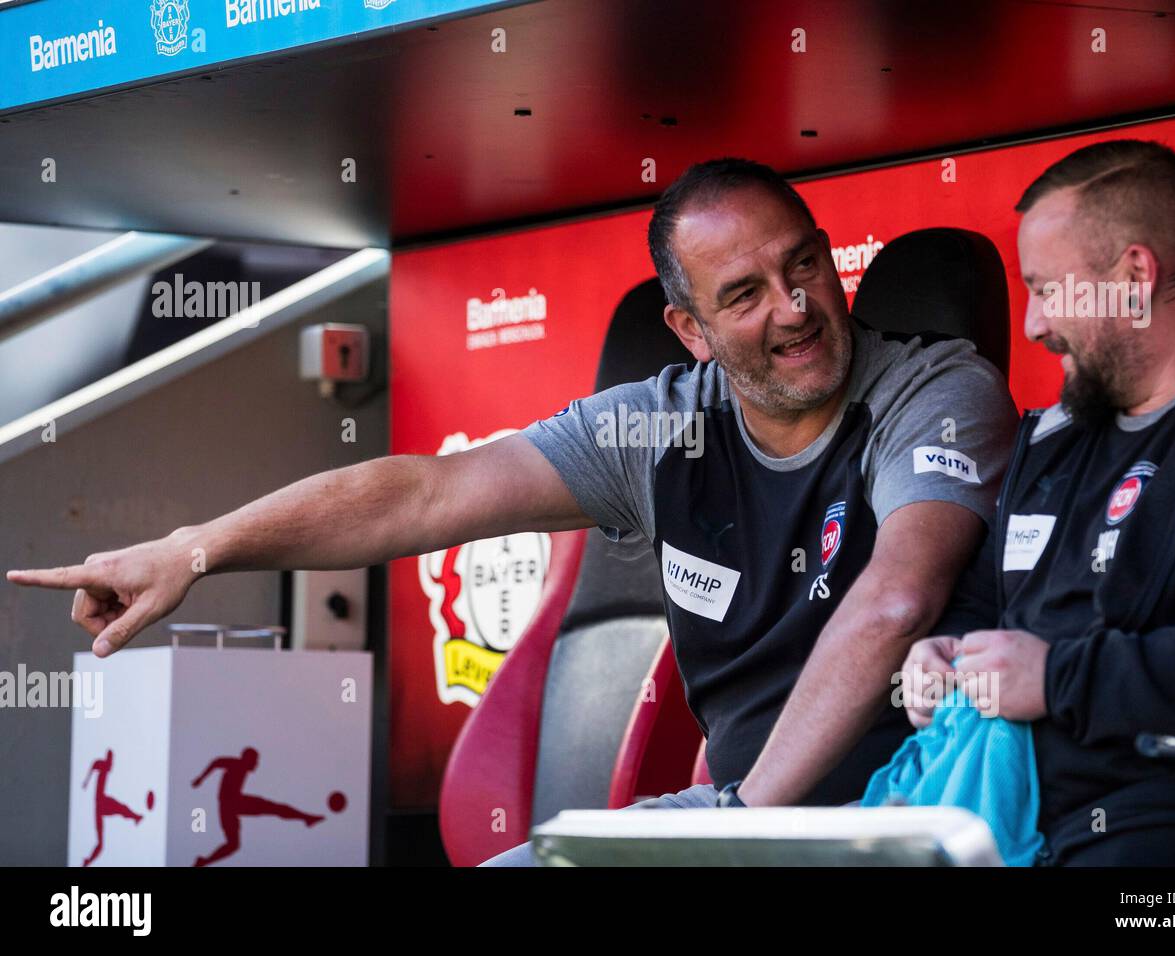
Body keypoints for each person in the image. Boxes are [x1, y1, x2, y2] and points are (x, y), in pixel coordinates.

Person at [7, 158, 1018, 866]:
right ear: (690, 329)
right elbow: (430, 489)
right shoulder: (662, 427)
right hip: (739, 820)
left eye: (803, 264)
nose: (795, 306)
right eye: (745, 293)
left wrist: (735, 819)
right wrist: (197, 547)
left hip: (899, 821)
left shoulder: (933, 389)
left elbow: (894, 598)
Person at [900, 139, 1175, 866]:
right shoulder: (1053, 436)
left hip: (1160, 829)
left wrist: (1054, 680)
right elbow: (984, 605)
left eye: (1047, 289)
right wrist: (942, 656)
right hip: (989, 817)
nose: (1031, 326)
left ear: (1133, 276)